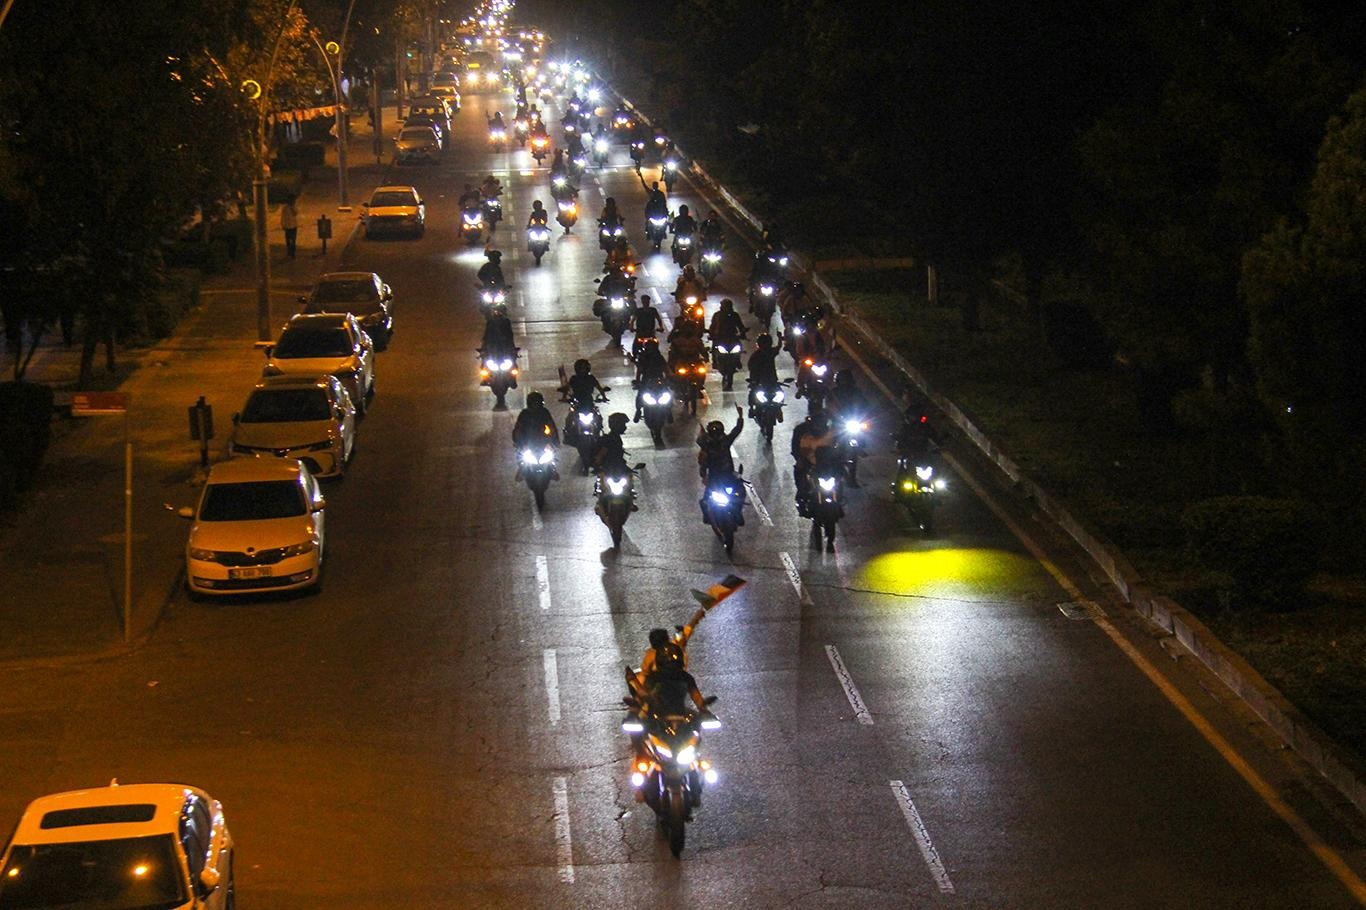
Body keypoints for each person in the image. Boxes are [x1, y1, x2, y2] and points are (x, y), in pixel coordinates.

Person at [791, 408, 837, 515]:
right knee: (801, 479)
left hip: (827, 463)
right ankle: (801, 501)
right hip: (808, 462)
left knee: (840, 476)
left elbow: (841, 446)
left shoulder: (832, 431)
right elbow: (795, 447)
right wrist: (799, 459)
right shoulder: (800, 430)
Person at [697, 406, 744, 482]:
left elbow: (737, 430)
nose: (716, 436)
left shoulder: (725, 441)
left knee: (740, 487)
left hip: (728, 475)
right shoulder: (706, 446)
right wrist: (704, 477)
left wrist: (740, 417)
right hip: (713, 478)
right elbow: (703, 463)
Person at [593, 412, 632, 479]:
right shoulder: (610, 439)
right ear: (617, 425)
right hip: (609, 470)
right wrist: (597, 465)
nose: (625, 427)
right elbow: (601, 454)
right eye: (622, 424)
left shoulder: (616, 438)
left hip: (617, 469)